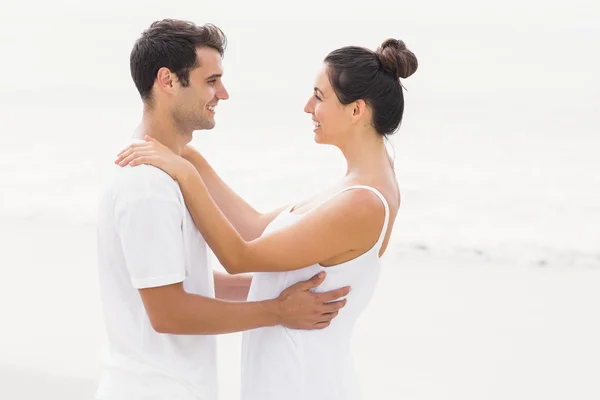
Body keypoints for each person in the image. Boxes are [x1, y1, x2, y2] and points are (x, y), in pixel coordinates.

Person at [116, 34, 418, 400]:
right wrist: (186, 154)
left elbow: (240, 256)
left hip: (304, 383)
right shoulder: (360, 184)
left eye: (319, 97)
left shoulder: (363, 204)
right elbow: (257, 227)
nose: (308, 107)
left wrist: (185, 175)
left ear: (357, 111)